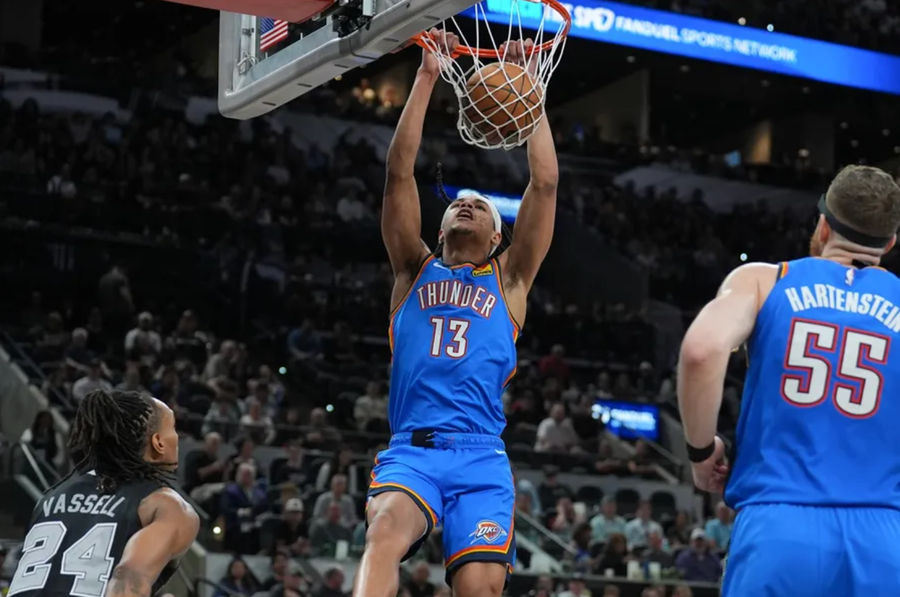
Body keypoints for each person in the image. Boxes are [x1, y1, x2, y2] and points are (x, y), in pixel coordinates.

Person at [355, 29, 559, 597]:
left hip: (481, 457)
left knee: (480, 590)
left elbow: (544, 183)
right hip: (413, 451)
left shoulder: (510, 280)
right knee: (384, 536)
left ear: (498, 237)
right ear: (439, 226)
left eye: (481, 207)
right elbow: (399, 173)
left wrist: (530, 94)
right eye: (457, 204)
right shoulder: (411, 271)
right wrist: (425, 76)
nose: (467, 203)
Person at [677, 165, 900, 596]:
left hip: (779, 523)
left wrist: (702, 451)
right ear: (890, 243)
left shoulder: (764, 280)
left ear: (821, 226)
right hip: (886, 535)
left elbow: (701, 351)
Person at [7, 390, 198, 597]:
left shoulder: (49, 498)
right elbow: (128, 580)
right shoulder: (165, 504)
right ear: (158, 442)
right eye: (173, 428)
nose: (177, 437)